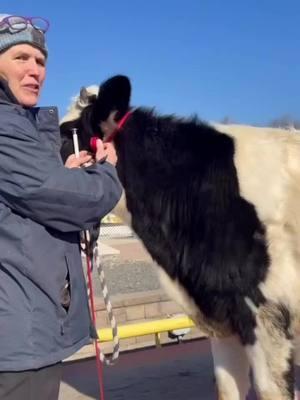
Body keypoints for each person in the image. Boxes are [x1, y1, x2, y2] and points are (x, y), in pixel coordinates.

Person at [0, 14, 122, 400]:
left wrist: (61, 171)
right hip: (19, 342)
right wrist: (108, 173)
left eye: (40, 61)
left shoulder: (17, 126)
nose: (35, 70)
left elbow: (30, 192)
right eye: (21, 58)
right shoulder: (5, 126)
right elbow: (73, 201)